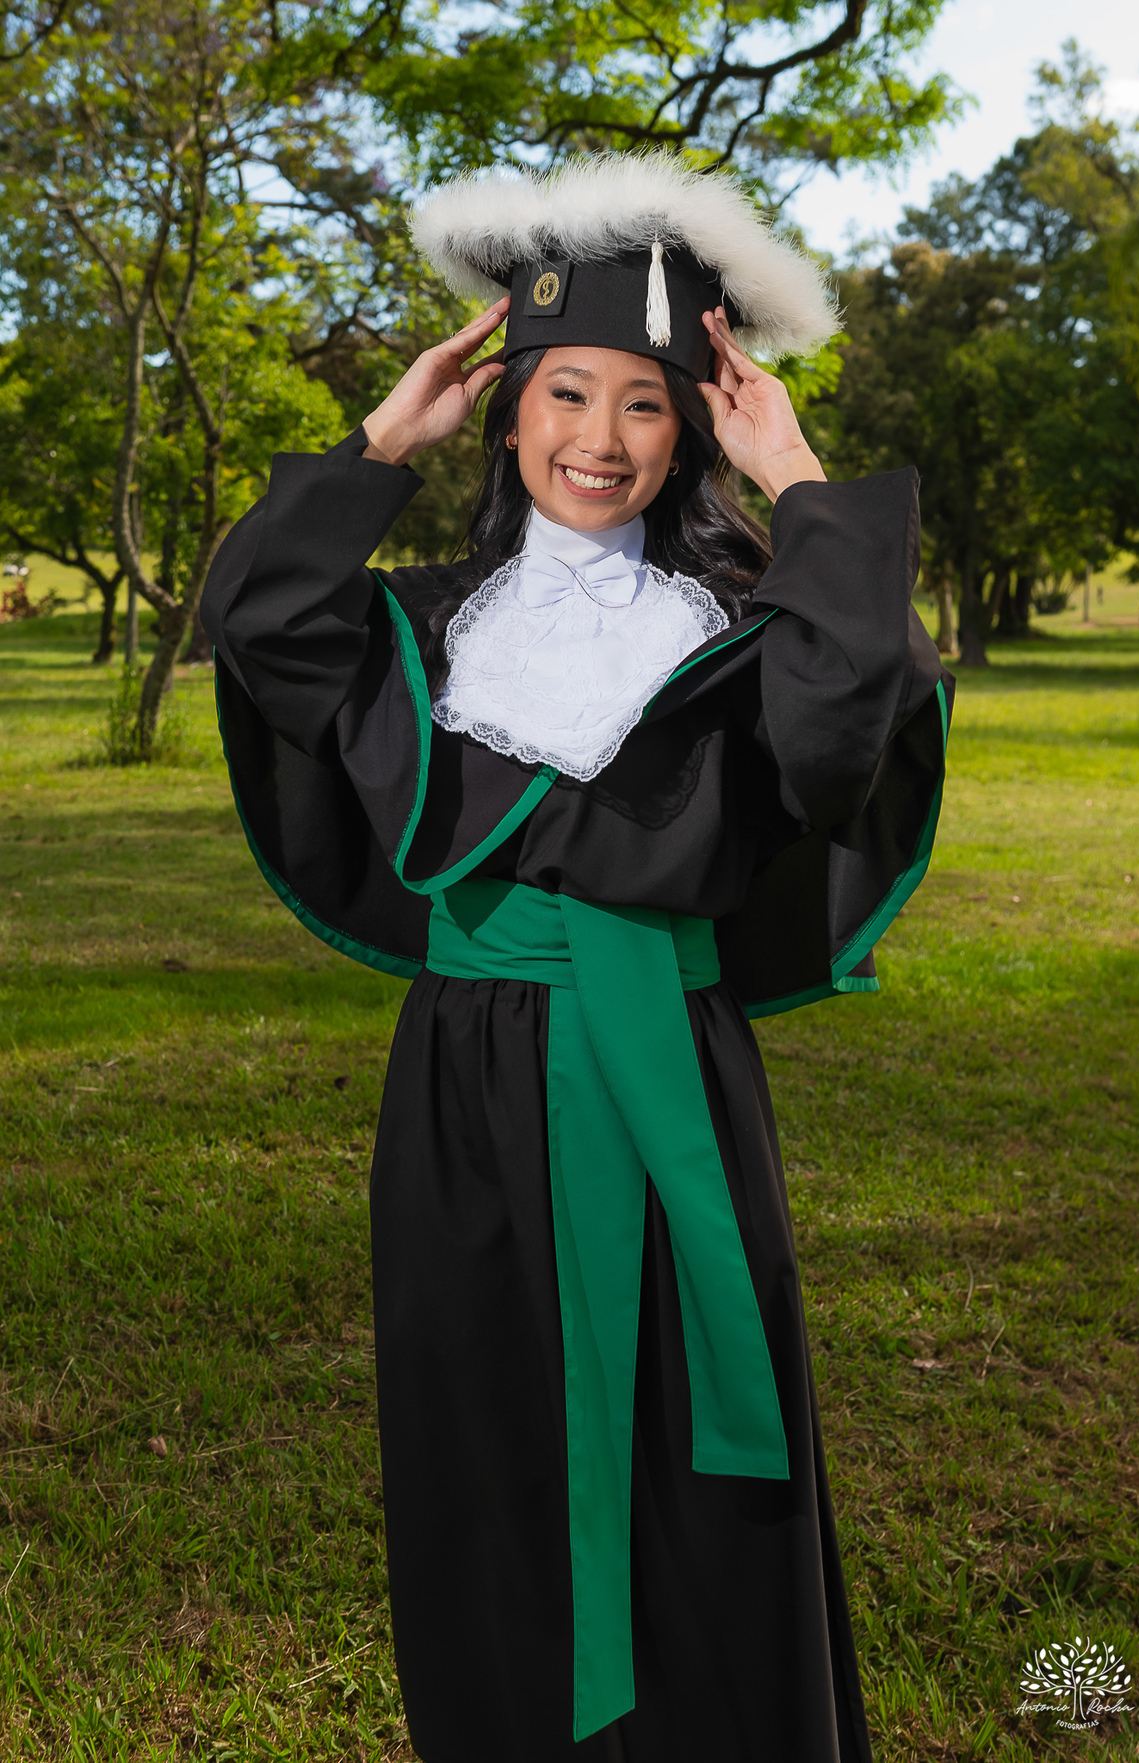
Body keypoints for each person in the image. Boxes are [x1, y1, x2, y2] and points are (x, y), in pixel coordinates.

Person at [202, 153, 952, 1763]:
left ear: (691, 428)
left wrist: (802, 473)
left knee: (699, 1440)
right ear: (509, 408)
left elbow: (839, 736)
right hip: (467, 1090)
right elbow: (265, 625)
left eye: (643, 406)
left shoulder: (742, 622)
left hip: (672, 1075)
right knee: (489, 1442)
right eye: (563, 395)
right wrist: (369, 450)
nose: (598, 442)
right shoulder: (432, 628)